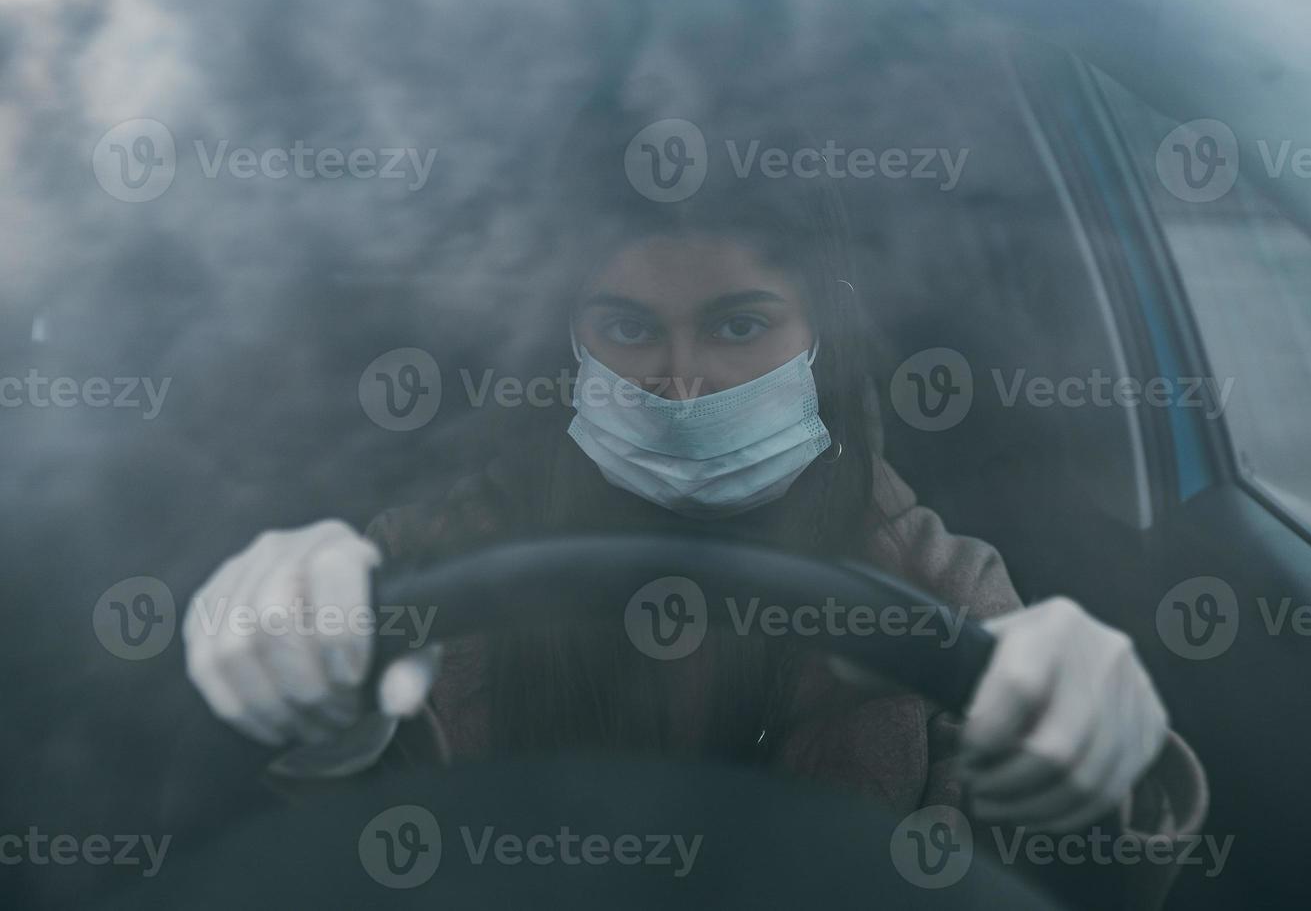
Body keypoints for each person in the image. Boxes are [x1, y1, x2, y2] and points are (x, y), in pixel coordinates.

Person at [183, 121, 1206, 908]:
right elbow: (325, 843)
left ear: (823, 333)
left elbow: (1050, 872)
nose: (678, 380)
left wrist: (1105, 757)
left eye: (738, 325)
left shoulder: (946, 591)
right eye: (627, 326)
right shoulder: (430, 558)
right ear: (570, 339)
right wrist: (279, 643)